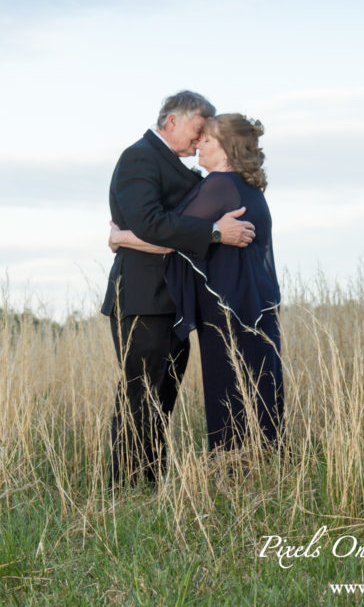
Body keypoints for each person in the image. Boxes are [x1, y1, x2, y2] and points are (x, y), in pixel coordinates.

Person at [101, 92, 256, 486]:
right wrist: (216, 232)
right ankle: (127, 486)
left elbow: (167, 225)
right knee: (141, 395)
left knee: (163, 397)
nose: (200, 137)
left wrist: (122, 237)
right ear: (173, 120)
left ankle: (151, 480)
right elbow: (152, 223)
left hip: (174, 302)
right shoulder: (139, 157)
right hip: (142, 299)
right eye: (198, 128)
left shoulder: (181, 169)